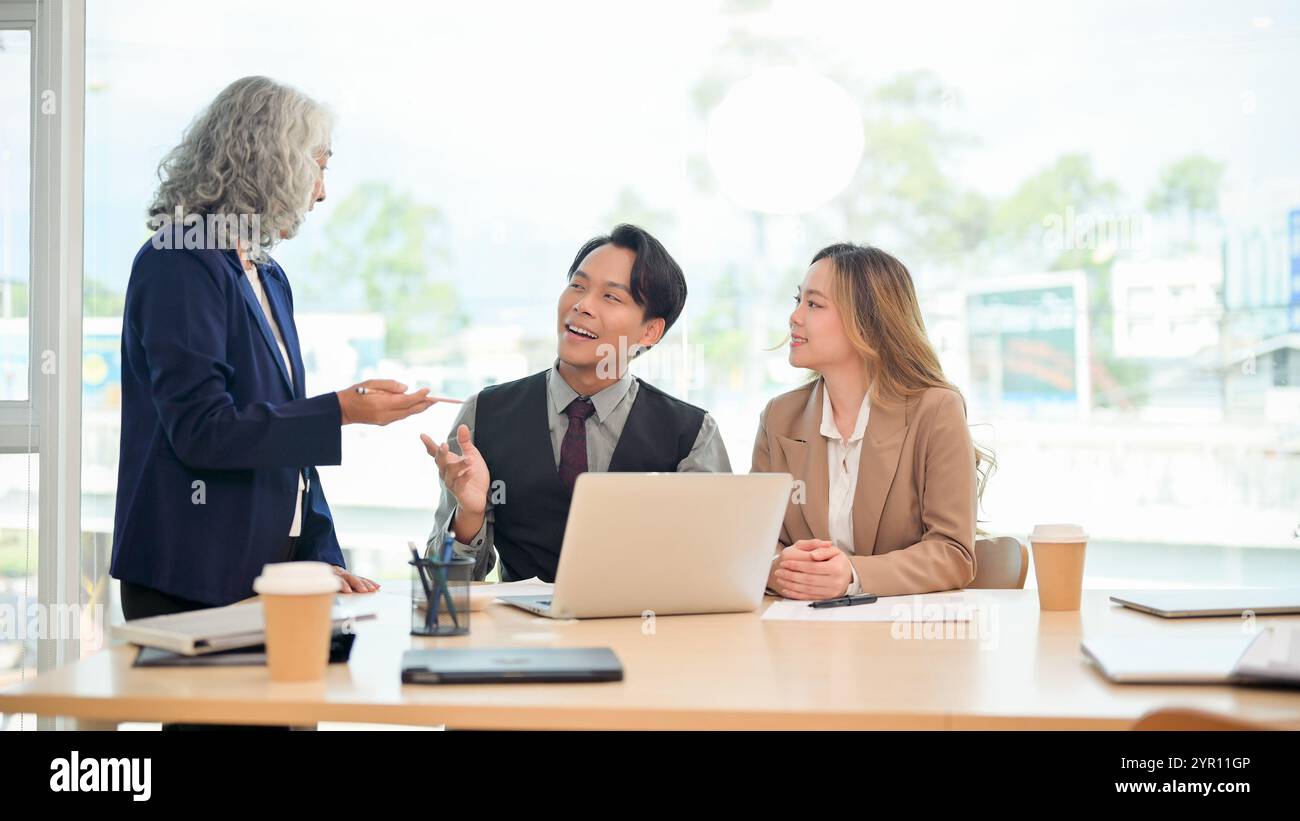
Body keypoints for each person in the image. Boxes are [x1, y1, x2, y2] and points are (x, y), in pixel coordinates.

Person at [112, 76, 438, 622]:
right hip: (196, 575)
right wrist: (341, 411)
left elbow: (283, 443)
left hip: (278, 576)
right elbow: (202, 430)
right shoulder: (180, 259)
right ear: (273, 161)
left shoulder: (267, 275)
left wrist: (318, 557)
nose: (322, 191)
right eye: (320, 165)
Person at [423, 224, 730, 582]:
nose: (582, 306)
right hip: (522, 636)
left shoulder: (692, 435)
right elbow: (442, 588)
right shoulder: (483, 415)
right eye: (578, 286)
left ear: (649, 331)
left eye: (611, 297)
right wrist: (469, 514)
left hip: (643, 634)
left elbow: (715, 572)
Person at [753, 242, 992, 600]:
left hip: (903, 642)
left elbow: (952, 554)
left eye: (814, 304)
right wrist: (779, 568)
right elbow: (755, 545)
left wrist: (852, 575)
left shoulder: (936, 409)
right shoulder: (779, 418)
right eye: (797, 300)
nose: (795, 317)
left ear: (866, 322)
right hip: (800, 635)